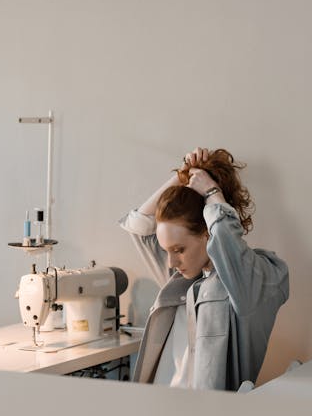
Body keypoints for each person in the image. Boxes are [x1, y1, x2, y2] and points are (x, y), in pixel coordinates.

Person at [119, 147, 289, 391]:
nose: (170, 263)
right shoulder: (180, 278)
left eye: (179, 249)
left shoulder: (250, 283)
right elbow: (137, 225)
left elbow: (229, 246)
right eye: (167, 251)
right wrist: (183, 176)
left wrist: (211, 192)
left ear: (208, 233)